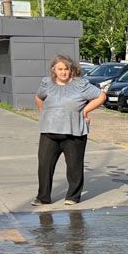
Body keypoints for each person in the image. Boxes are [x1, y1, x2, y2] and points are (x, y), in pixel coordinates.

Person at [33, 54, 105, 206]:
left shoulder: (81, 85)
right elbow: (39, 98)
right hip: (49, 132)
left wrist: (85, 111)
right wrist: (44, 113)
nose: (63, 72)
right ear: (54, 70)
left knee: (74, 166)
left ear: (72, 70)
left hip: (74, 133)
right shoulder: (46, 83)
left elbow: (101, 96)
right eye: (60, 69)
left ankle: (73, 196)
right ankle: (43, 197)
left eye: (66, 69)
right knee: (44, 166)